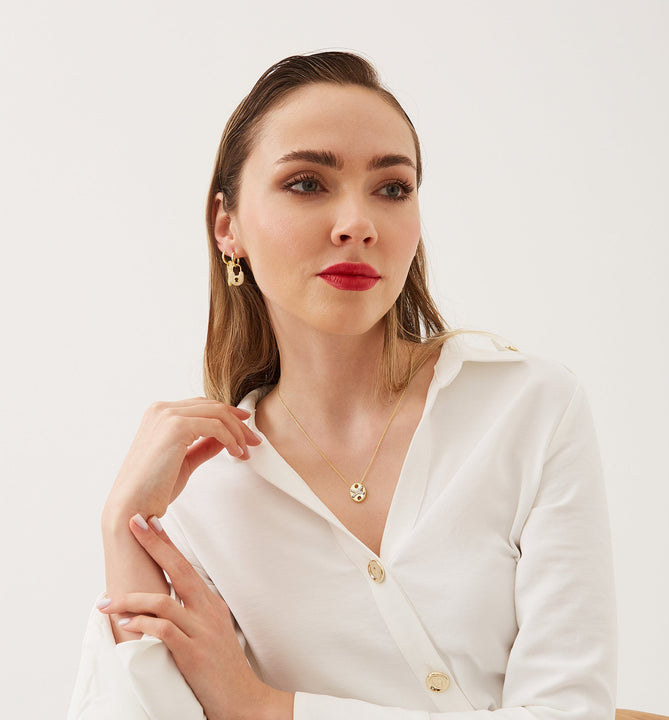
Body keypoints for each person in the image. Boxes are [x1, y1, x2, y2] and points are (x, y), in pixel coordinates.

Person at [68, 51, 617, 720]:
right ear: (227, 225)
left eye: (393, 188)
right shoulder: (198, 493)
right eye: (307, 183)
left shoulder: (529, 410)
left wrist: (270, 709)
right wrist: (122, 528)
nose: (358, 223)